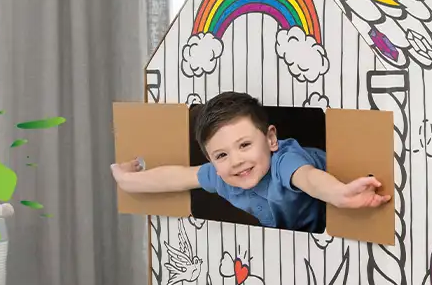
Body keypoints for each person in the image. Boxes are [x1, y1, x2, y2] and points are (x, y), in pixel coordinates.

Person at [110, 91, 389, 231]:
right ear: (211, 159)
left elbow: (308, 178)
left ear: (270, 139)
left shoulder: (284, 161)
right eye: (221, 155)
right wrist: (128, 180)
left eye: (244, 145)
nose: (236, 161)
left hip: (337, 211)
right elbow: (178, 176)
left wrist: (340, 194)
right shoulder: (223, 177)